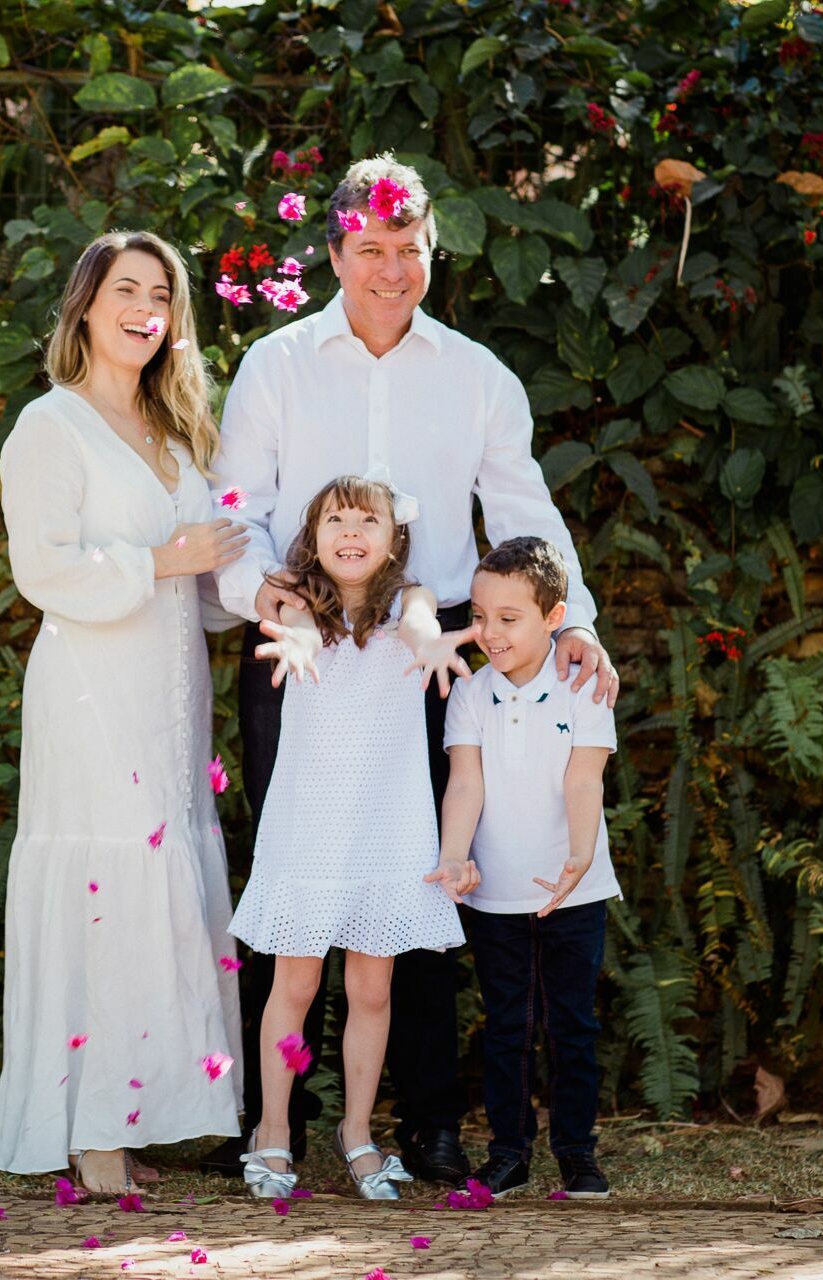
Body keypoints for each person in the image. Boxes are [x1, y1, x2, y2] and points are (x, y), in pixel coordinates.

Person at [207, 153, 621, 1186]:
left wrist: (572, 619)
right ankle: (272, 1121)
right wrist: (271, 599)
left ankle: (427, 1119)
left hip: (426, 656)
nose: (392, 270)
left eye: (409, 250)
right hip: (296, 651)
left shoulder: (478, 375)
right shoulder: (276, 365)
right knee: (290, 881)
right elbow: (234, 515)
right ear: (336, 254)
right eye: (371, 251)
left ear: (430, 250)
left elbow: (523, 512)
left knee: (423, 880)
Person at [0, 230, 249, 1192]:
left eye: (164, 294)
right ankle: (95, 1125)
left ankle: (149, 1108)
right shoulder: (48, 428)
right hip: (91, 695)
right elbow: (43, 570)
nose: (147, 307)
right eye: (127, 289)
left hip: (172, 697)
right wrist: (164, 560)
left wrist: (270, 596)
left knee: (164, 878)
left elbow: (210, 578)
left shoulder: (178, 431)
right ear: (86, 308)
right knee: (105, 883)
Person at [226, 473, 480, 1200]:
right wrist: (299, 639)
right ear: (314, 537)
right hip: (310, 821)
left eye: (366, 520)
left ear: (393, 538)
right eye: (335, 518)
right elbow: (299, 630)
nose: (351, 532)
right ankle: (272, 1128)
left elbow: (424, 627)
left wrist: (431, 646)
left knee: (373, 988)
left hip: (387, 822)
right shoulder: (300, 606)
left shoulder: (412, 601)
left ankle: (358, 1132)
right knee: (296, 983)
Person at [439, 536, 620, 1199]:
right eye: (481, 616)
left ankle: (578, 1154)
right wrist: (454, 855)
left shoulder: (584, 690)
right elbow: (465, 783)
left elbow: (584, 781)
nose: (490, 632)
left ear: (555, 617)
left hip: (575, 891)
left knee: (573, 1025)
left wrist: (578, 855)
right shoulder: (470, 694)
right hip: (497, 896)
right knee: (506, 1029)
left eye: (508, 618)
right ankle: (510, 1153)